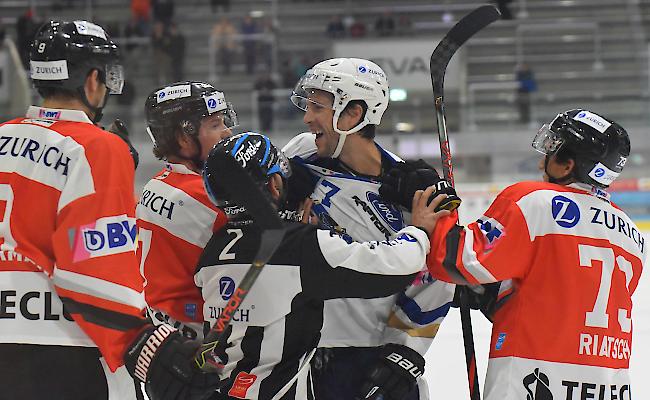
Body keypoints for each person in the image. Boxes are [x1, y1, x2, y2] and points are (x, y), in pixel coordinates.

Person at [0, 20, 219, 400]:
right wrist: (144, 346)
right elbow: (93, 260)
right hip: (57, 347)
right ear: (92, 80)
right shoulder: (96, 147)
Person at [196, 132, 454, 399]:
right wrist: (420, 229)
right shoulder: (297, 247)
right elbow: (394, 266)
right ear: (274, 184)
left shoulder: (211, 253)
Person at [423, 109, 645, 399]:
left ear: (567, 166)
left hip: (533, 381)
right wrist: (498, 296)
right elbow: (565, 301)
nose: (542, 161)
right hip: (609, 387)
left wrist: (441, 214)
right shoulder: (632, 236)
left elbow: (453, 260)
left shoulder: (534, 201)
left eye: (552, 151)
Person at [283, 58, 458, 400]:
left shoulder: (410, 189)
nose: (307, 117)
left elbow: (435, 275)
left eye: (318, 106)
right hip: (300, 351)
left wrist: (403, 352)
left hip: (368, 356)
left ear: (353, 113)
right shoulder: (300, 153)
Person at [137, 81, 238, 342]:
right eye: (215, 125)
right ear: (184, 138)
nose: (227, 132)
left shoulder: (157, 182)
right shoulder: (207, 196)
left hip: (160, 328)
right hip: (198, 340)